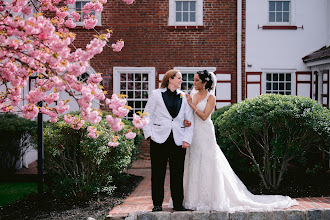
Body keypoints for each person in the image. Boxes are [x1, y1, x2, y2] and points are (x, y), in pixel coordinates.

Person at [182, 70, 298, 212]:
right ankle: (193, 198)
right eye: (194, 80)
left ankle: (212, 198)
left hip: (205, 133)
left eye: (197, 81)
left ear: (205, 82)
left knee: (207, 162)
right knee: (194, 162)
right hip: (194, 134)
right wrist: (187, 122)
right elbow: (191, 115)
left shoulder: (211, 97)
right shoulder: (193, 95)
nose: (194, 83)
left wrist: (191, 105)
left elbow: (205, 116)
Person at [142, 69, 194, 212]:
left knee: (178, 174)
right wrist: (149, 134)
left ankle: (178, 205)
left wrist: (187, 139)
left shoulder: (184, 97)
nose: (181, 80)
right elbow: (147, 115)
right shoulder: (156, 94)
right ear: (170, 79)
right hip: (158, 139)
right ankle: (157, 204)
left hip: (178, 140)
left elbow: (189, 119)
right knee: (157, 174)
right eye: (179, 78)